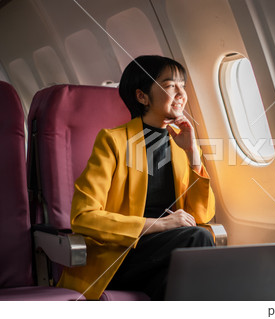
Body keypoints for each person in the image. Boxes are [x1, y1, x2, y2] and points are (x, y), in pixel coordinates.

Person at [57, 55, 216, 300]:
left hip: (165, 252)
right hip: (120, 256)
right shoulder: (113, 141)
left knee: (175, 280)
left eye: (182, 85)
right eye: (170, 85)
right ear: (142, 96)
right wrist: (160, 224)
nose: (181, 93)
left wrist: (193, 153)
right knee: (199, 238)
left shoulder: (179, 144)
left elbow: (202, 215)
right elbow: (83, 217)